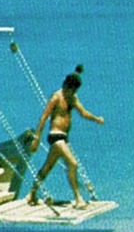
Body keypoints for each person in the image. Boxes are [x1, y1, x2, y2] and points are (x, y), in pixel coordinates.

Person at [27, 73, 105, 206]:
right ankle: (78, 198)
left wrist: (96, 119)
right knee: (73, 164)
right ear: (66, 86)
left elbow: (83, 112)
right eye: (72, 90)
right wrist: (37, 138)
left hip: (64, 137)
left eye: (75, 91)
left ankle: (32, 194)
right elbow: (44, 117)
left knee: (48, 166)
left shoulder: (72, 98)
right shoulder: (56, 97)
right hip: (55, 135)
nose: (74, 93)